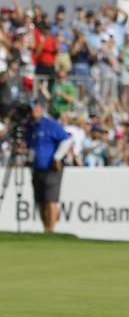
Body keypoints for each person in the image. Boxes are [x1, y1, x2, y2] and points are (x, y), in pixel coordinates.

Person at [25, 99, 72, 232]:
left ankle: (51, 231)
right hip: (37, 168)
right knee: (40, 201)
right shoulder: (30, 126)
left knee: (51, 199)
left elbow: (66, 140)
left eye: (34, 108)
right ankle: (45, 229)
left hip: (52, 168)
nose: (32, 111)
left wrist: (57, 157)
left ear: (40, 108)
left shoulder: (50, 124)